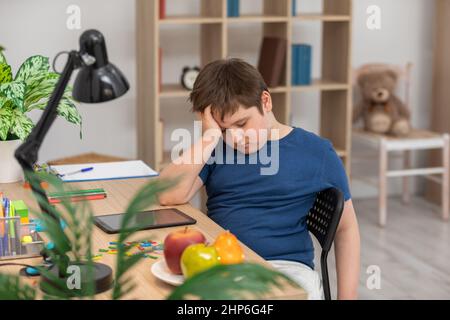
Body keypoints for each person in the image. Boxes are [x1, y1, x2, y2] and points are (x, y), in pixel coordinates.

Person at [158, 58, 360, 300]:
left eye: (242, 124)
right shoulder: (216, 150)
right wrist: (210, 137)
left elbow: (346, 228)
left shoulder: (317, 152)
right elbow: (167, 194)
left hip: (286, 270)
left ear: (265, 101)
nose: (235, 138)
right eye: (224, 129)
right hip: (226, 263)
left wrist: (347, 298)